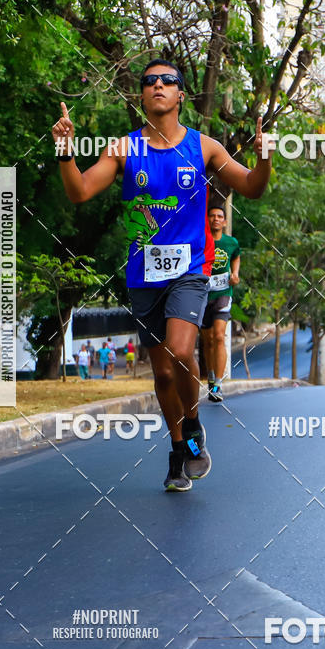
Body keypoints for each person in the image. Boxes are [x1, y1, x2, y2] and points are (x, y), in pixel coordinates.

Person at [52, 58, 274, 491]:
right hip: (142, 276)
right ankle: (179, 446)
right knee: (164, 374)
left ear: (180, 96)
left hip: (190, 272)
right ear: (141, 95)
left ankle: (192, 426)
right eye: (149, 81)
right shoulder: (122, 149)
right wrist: (65, 151)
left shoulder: (204, 147)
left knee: (180, 352)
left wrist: (264, 158)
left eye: (167, 81)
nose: (157, 85)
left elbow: (252, 186)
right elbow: (79, 192)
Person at [201, 205, 240, 402]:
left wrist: (235, 274)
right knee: (207, 341)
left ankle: (217, 384)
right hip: (202, 295)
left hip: (223, 293)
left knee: (218, 336)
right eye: (212, 216)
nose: (216, 219)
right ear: (208, 219)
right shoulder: (201, 240)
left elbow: (236, 257)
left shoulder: (230, 242)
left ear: (224, 222)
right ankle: (210, 377)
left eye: (220, 216)